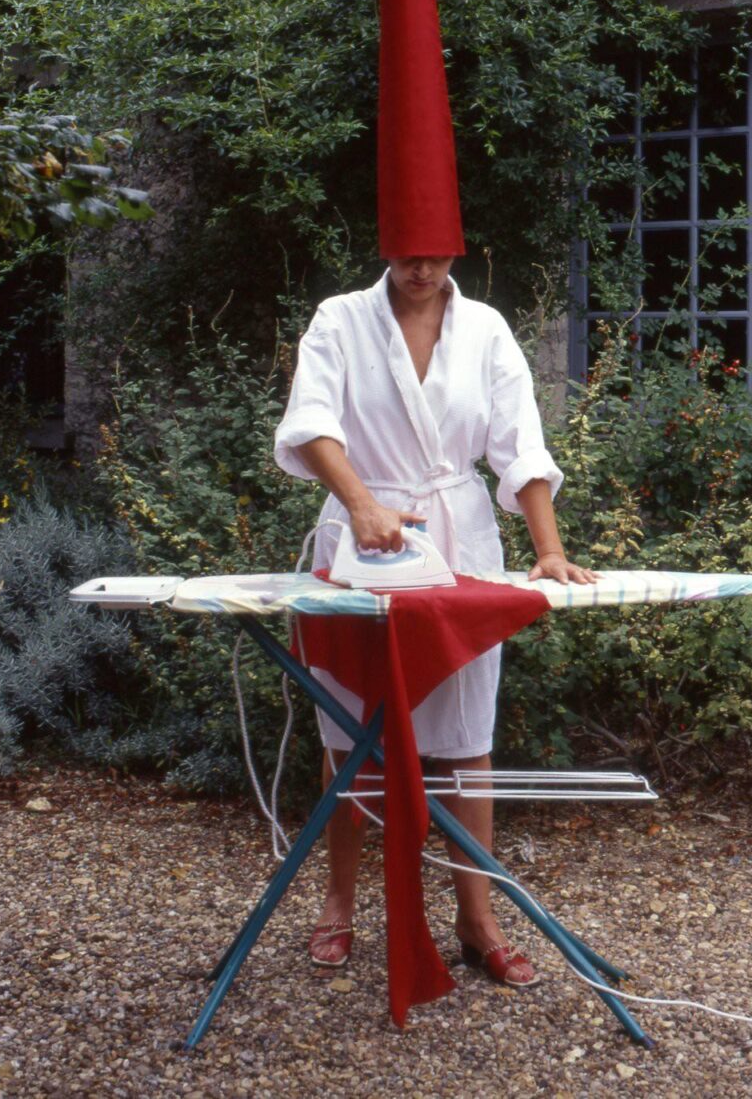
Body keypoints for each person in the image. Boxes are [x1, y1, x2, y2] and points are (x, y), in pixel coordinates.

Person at [273, 253, 597, 989]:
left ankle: (476, 919)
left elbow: (521, 444)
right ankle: (339, 900)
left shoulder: (485, 329)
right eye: (408, 254)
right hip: (362, 541)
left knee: (465, 738)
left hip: (459, 542)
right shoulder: (340, 319)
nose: (421, 269)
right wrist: (362, 504)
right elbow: (311, 420)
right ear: (388, 242)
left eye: (436, 255)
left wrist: (548, 550)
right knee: (348, 729)